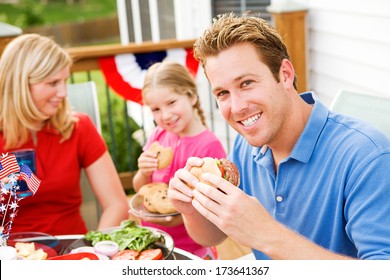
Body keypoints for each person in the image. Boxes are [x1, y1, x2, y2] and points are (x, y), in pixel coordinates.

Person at [168, 12, 390, 260]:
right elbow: (213, 236)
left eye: (246, 83)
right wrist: (191, 209)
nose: (237, 106)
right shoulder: (245, 146)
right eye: (222, 93)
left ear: (285, 75)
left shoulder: (367, 156)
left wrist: (266, 234)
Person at [0, 34, 129, 235]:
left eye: (64, 81)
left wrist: (93, 251)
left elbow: (116, 204)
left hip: (72, 254)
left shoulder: (79, 128)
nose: (63, 92)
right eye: (52, 83)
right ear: (20, 85)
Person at [131, 60, 226, 259]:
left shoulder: (208, 147)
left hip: (191, 250)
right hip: (154, 242)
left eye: (171, 102)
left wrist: (179, 217)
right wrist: (143, 172)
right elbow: (140, 188)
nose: (165, 115)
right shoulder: (157, 136)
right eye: (156, 109)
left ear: (191, 96)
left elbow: (213, 210)